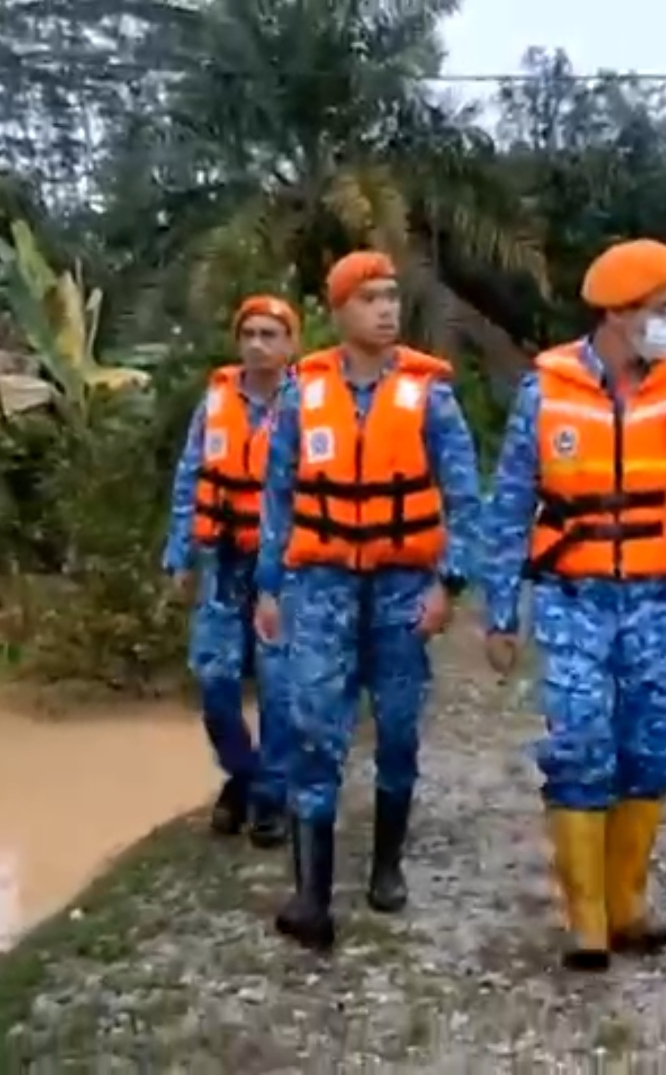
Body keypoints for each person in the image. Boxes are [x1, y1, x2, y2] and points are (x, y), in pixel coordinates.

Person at [480, 239, 666, 972]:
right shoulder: (546, 394)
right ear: (618, 314)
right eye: (661, 309)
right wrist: (501, 613)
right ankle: (588, 921)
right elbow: (509, 509)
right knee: (578, 746)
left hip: (665, 598)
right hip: (576, 598)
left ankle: (630, 901)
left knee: (650, 750)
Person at [253, 250, 483, 952]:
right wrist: (268, 587)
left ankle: (386, 865)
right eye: (370, 298)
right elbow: (279, 499)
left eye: (391, 296)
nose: (387, 308)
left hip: (400, 587)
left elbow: (466, 500)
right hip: (319, 587)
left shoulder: (430, 396)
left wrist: (449, 584)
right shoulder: (302, 394)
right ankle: (312, 898)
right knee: (315, 731)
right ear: (340, 310)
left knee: (399, 729)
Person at [160, 295, 299, 849]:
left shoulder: (308, 405)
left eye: (271, 334)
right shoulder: (215, 402)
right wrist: (179, 553)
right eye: (250, 334)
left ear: (291, 344)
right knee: (215, 682)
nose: (259, 344)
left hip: (283, 568)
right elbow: (189, 476)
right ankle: (243, 775)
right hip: (222, 561)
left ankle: (271, 797)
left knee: (278, 688)